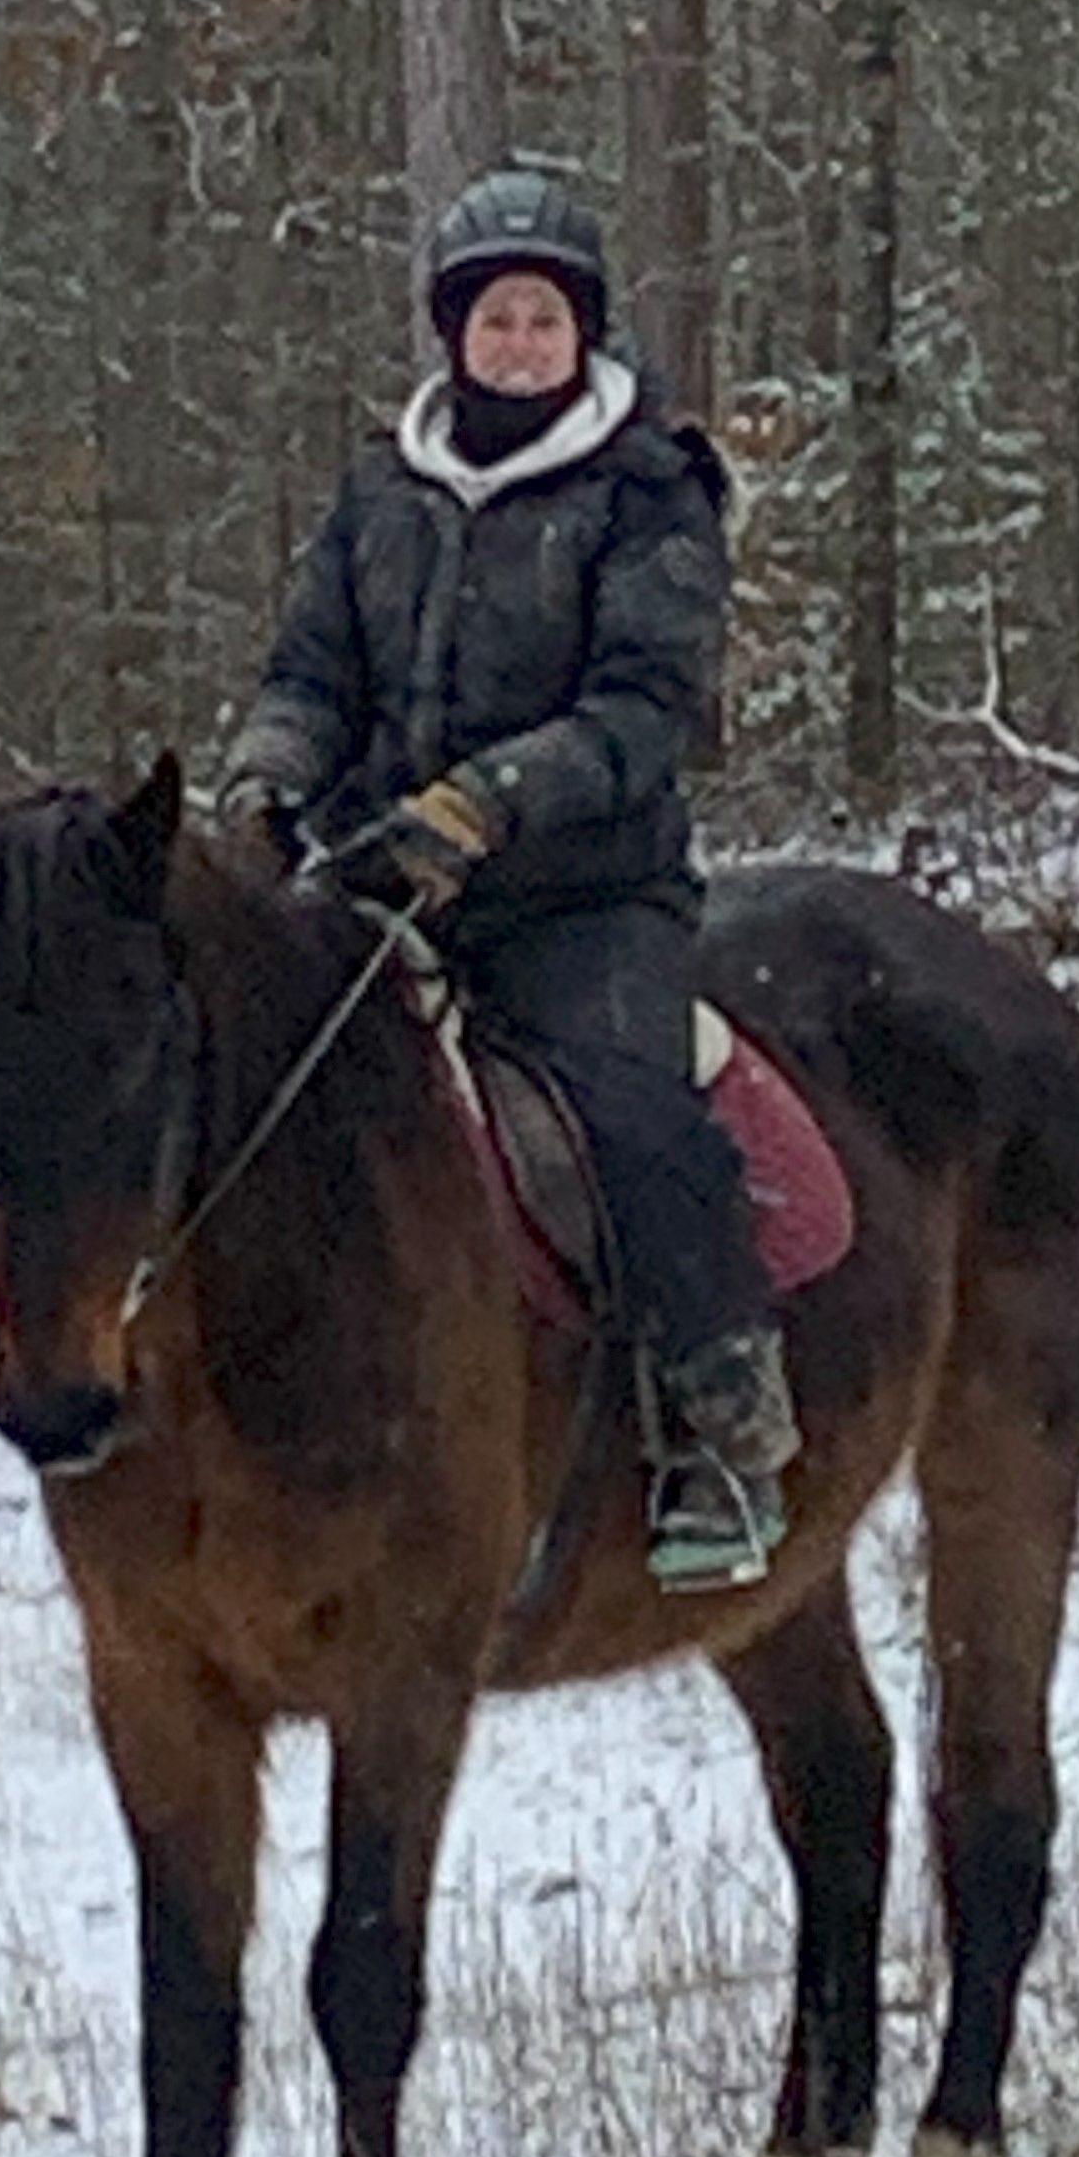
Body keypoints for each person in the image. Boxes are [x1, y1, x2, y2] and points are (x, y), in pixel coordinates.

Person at [220, 164, 799, 1592]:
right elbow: (312, 669)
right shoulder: (380, 489)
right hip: (378, 874)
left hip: (583, 895)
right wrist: (266, 778)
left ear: (583, 335)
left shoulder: (653, 492)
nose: (520, 344)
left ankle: (722, 1432)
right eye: (497, 320)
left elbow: (642, 710)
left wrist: (490, 801)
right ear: (454, 333)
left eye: (545, 320)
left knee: (633, 1117)